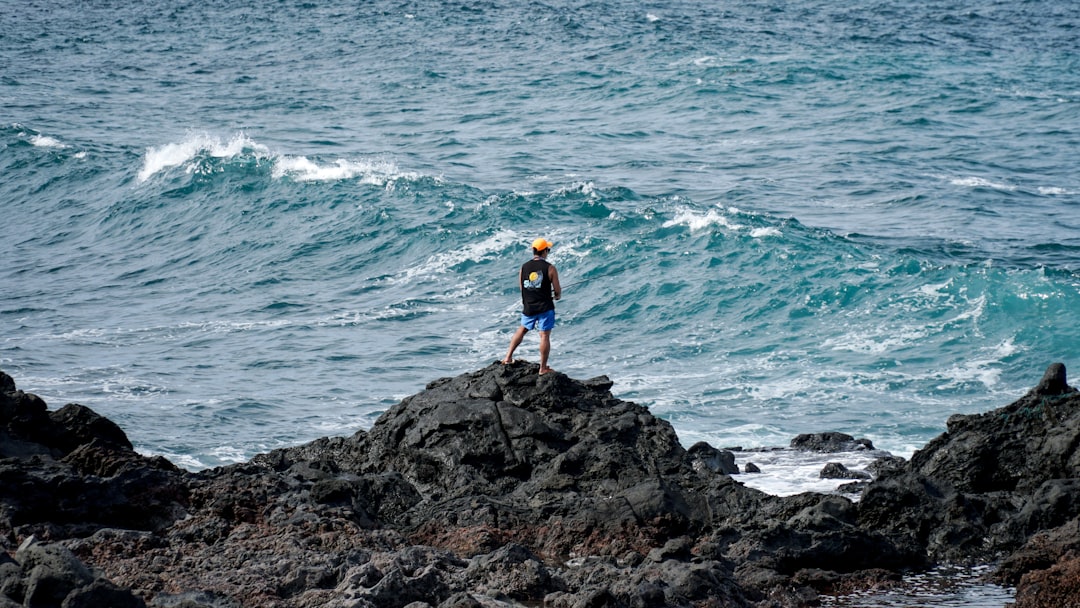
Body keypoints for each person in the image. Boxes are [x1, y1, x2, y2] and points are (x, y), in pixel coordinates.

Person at [501, 237, 561, 374]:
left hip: (529, 306)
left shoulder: (524, 267)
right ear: (544, 251)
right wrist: (556, 296)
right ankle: (543, 368)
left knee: (522, 329)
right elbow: (557, 291)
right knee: (544, 336)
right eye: (548, 249)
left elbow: (523, 288)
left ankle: (508, 357)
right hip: (545, 307)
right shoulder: (550, 268)